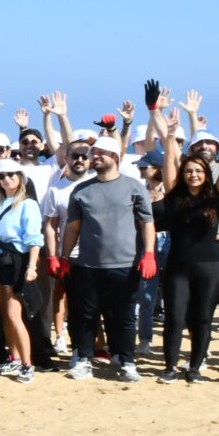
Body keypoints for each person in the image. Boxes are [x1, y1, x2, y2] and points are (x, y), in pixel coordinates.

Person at [154, 110, 219, 383]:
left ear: (207, 174)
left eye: (198, 171)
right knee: (175, 318)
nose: (193, 175)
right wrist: (170, 134)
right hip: (177, 268)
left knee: (203, 318)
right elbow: (169, 162)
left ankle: (194, 369)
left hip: (210, 268)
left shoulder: (216, 196)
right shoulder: (174, 196)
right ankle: (170, 368)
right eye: (189, 171)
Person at [58, 134, 156, 382]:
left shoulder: (134, 187)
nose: (95, 156)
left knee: (123, 316)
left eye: (100, 152)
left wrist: (149, 254)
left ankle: (127, 361)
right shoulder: (81, 190)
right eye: (94, 153)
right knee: (86, 315)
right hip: (89, 265)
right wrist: (64, 257)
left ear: (115, 156)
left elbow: (147, 222)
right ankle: (83, 358)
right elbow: (72, 227)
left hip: (126, 264)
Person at [0, 160, 44, 382]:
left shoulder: (28, 204)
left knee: (15, 315)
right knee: (4, 315)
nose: (7, 179)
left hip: (16, 259)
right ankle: (14, 359)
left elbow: (34, 238)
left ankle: (27, 364)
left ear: (21, 178)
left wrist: (32, 266)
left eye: (11, 175)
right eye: (2, 176)